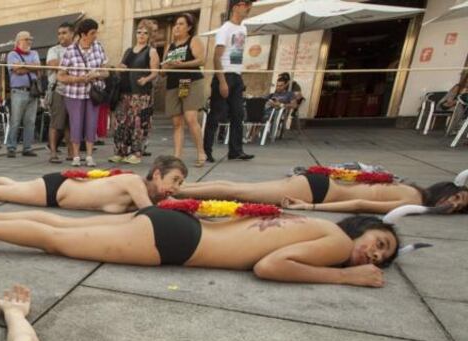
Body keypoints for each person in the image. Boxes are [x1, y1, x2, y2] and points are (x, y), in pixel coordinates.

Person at [0, 205, 403, 289]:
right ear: (362, 228)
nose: (376, 256)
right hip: (179, 241)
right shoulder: (336, 243)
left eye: (383, 256)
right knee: (59, 240)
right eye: (379, 243)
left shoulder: (320, 225)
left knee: (65, 225)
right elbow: (272, 265)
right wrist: (346, 274)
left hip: (178, 227)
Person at [0, 155, 186, 213]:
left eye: (181, 183)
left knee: (14, 185)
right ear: (156, 174)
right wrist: (190, 209)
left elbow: (166, 203)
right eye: (174, 179)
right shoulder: (135, 183)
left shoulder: (144, 192)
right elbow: (152, 214)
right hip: (56, 191)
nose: (176, 187)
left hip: (60, 188)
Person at [178, 172, 468, 214]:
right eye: (456, 197)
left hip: (319, 185)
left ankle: (178, 189)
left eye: (459, 205)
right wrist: (310, 208)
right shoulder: (413, 200)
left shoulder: (410, 188)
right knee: (240, 193)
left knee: (238, 190)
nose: (453, 204)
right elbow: (359, 203)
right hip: (318, 191)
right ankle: (176, 190)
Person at [203, 0, 254, 162]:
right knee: (216, 115)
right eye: (246, 5)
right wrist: (222, 81)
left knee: (238, 114)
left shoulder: (243, 29)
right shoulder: (225, 29)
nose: (248, 8)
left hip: (236, 76)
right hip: (224, 75)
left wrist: (238, 74)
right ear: (236, 7)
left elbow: (235, 54)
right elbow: (216, 57)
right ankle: (206, 150)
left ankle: (235, 150)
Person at [57, 18, 109, 168]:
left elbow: (107, 72)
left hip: (93, 93)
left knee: (91, 124)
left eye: (95, 32)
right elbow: (61, 76)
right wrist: (78, 78)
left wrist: (97, 74)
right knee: (76, 124)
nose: (95, 36)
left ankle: (89, 156)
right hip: (74, 94)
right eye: (93, 33)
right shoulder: (70, 51)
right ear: (83, 34)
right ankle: (76, 156)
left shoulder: (99, 47)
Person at [162, 13, 207, 167]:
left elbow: (201, 60)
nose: (177, 26)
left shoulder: (193, 40)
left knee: (191, 117)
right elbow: (164, 68)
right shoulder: (170, 46)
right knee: (177, 122)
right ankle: (177, 156)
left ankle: (201, 152)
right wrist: (166, 67)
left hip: (188, 81)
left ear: (189, 27)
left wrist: (180, 64)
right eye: (176, 23)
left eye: (181, 24)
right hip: (173, 83)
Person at [112, 20, 159, 165]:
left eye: (145, 33)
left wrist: (146, 79)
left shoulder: (151, 51)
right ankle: (121, 151)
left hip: (141, 94)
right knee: (121, 123)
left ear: (149, 36)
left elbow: (155, 72)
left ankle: (136, 152)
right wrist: (119, 68)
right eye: (139, 32)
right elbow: (123, 66)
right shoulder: (128, 50)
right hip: (125, 92)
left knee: (137, 124)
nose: (141, 35)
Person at [4, 31, 42, 158]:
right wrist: (31, 67)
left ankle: (27, 147)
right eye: (26, 39)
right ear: (18, 41)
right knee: (15, 120)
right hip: (18, 91)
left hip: (32, 91)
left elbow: (38, 67)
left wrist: (24, 66)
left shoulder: (34, 53)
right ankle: (11, 147)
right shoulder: (12, 54)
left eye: (30, 39)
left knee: (30, 121)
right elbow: (16, 70)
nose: (29, 42)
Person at [45, 22, 74, 164]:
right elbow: (52, 63)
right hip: (58, 90)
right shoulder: (54, 49)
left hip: (74, 90)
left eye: (64, 32)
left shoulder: (77, 49)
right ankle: (53, 153)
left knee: (70, 124)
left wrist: (64, 64)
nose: (61, 36)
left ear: (72, 34)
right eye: (59, 33)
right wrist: (72, 64)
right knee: (56, 123)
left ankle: (70, 152)